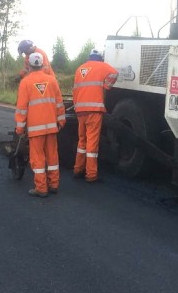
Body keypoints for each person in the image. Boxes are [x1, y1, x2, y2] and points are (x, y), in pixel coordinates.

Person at [15, 52, 65, 197]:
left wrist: (20, 128)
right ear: (43, 64)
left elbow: (22, 108)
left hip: (35, 129)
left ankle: (41, 188)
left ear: (29, 66)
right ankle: (54, 184)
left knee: (37, 158)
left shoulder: (25, 82)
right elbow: (59, 103)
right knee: (52, 156)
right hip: (51, 127)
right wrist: (61, 121)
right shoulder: (52, 80)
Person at [72, 49, 118, 183]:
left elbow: (75, 90)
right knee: (92, 142)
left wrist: (76, 106)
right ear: (100, 58)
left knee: (82, 141)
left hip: (80, 110)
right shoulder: (102, 66)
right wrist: (107, 85)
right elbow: (115, 73)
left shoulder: (80, 69)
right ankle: (91, 174)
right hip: (94, 110)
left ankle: (78, 169)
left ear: (89, 57)